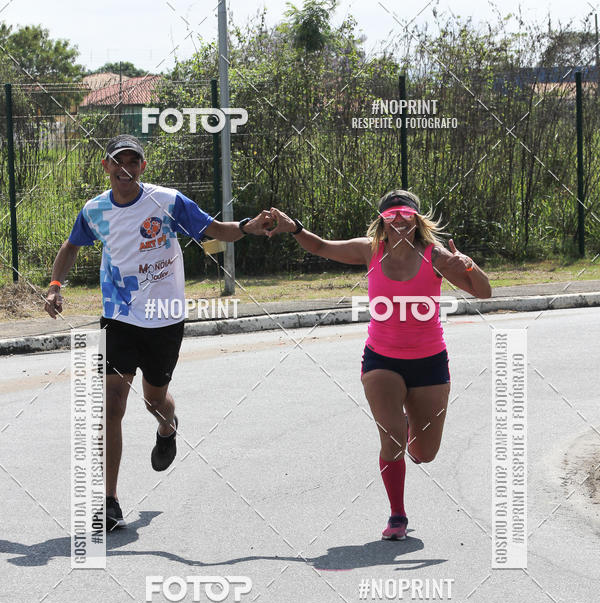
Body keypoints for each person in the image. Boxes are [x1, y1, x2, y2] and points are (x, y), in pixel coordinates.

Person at [45, 134, 272, 531]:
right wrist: (55, 287)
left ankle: (167, 426)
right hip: (118, 318)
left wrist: (249, 226)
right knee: (112, 403)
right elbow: (70, 246)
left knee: (154, 400)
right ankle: (110, 502)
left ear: (143, 167)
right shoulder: (95, 209)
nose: (125, 169)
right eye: (118, 162)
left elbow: (215, 230)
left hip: (165, 318)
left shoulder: (166, 201)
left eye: (133, 162)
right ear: (107, 167)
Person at [267, 190, 491, 540]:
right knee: (392, 439)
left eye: (406, 213)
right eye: (392, 214)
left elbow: (484, 292)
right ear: (383, 220)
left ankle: (407, 431)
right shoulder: (370, 250)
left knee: (424, 453)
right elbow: (321, 246)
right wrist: (292, 226)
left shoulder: (436, 255)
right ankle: (397, 515)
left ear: (417, 219)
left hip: (430, 363)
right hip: (381, 360)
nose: (399, 219)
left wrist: (467, 265)